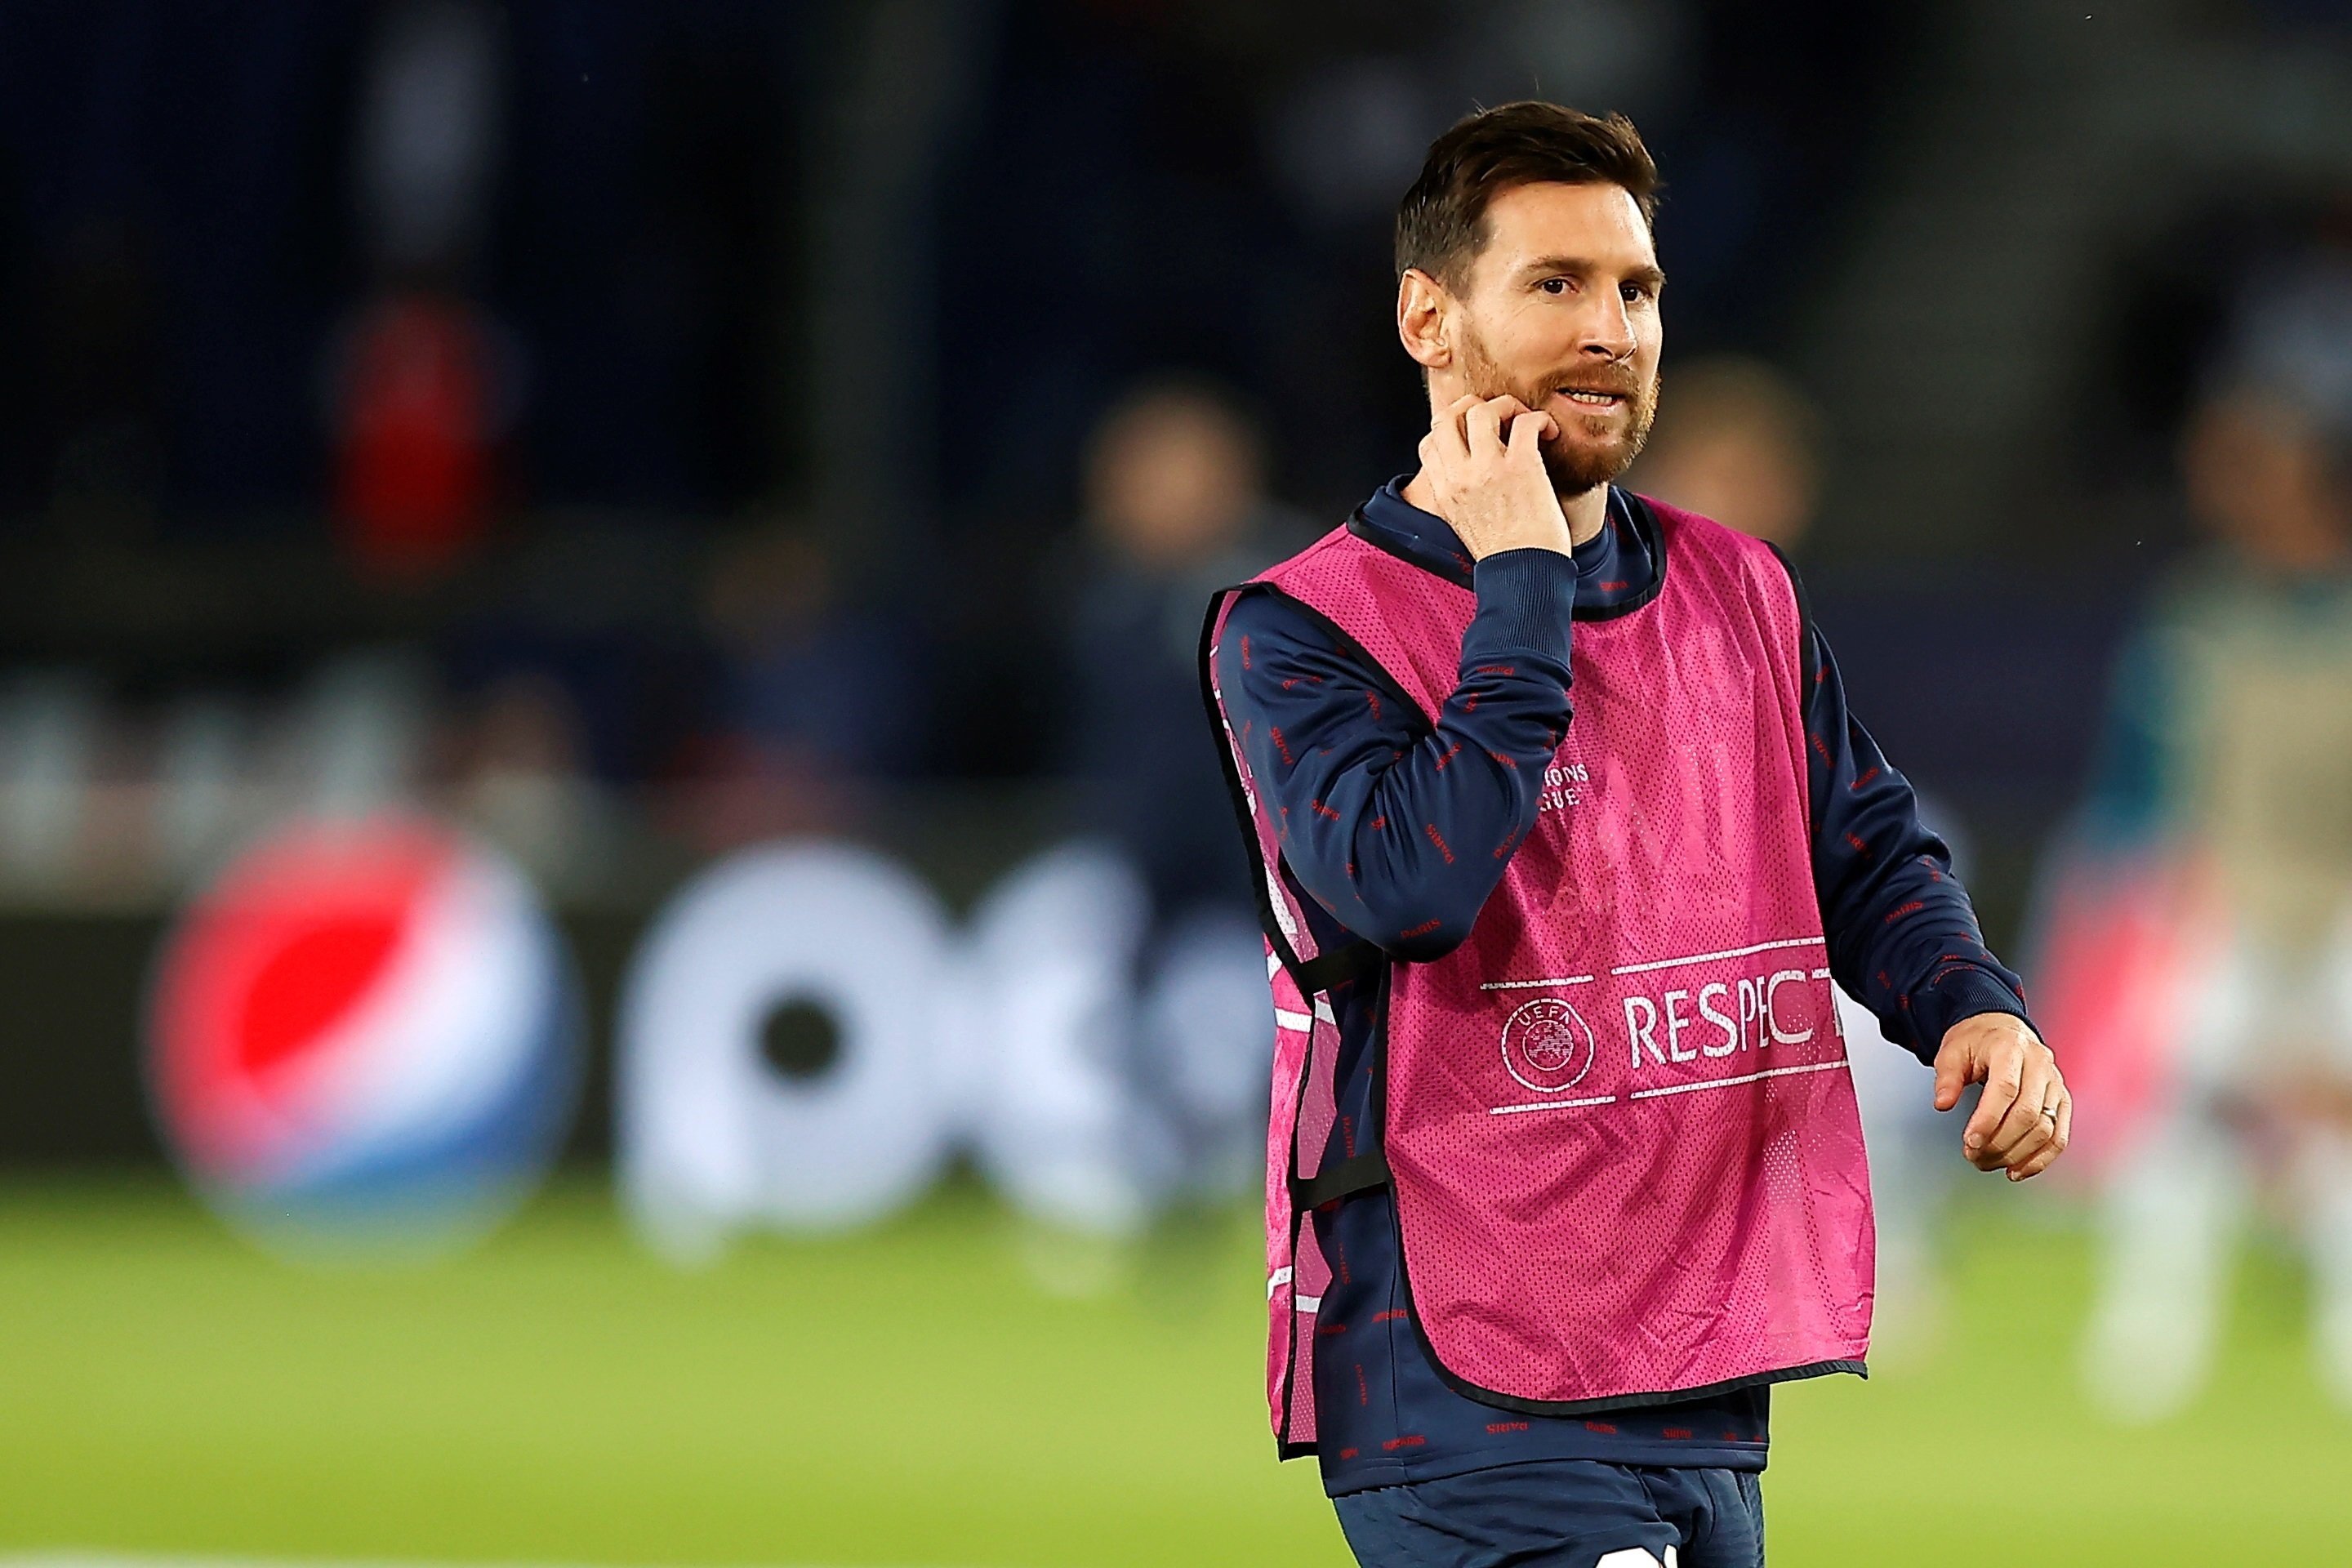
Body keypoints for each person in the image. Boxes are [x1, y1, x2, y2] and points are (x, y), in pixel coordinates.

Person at [1200, 102, 2067, 1568]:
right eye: (1555, 284)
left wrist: (1974, 1006)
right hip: (1462, 1380)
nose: (1611, 329)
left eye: (1637, 289)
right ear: (1428, 318)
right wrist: (1522, 582)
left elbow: (1864, 852)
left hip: (1703, 1370)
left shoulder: (1738, 587)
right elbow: (1408, 889)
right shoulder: (1301, 631)